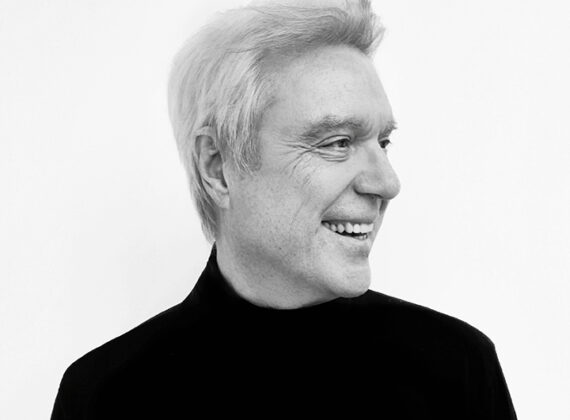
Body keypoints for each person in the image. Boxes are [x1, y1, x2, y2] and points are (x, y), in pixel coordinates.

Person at [51, 1, 517, 418]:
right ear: (218, 167)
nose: (387, 183)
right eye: (337, 143)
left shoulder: (458, 369)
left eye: (383, 142)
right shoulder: (105, 398)